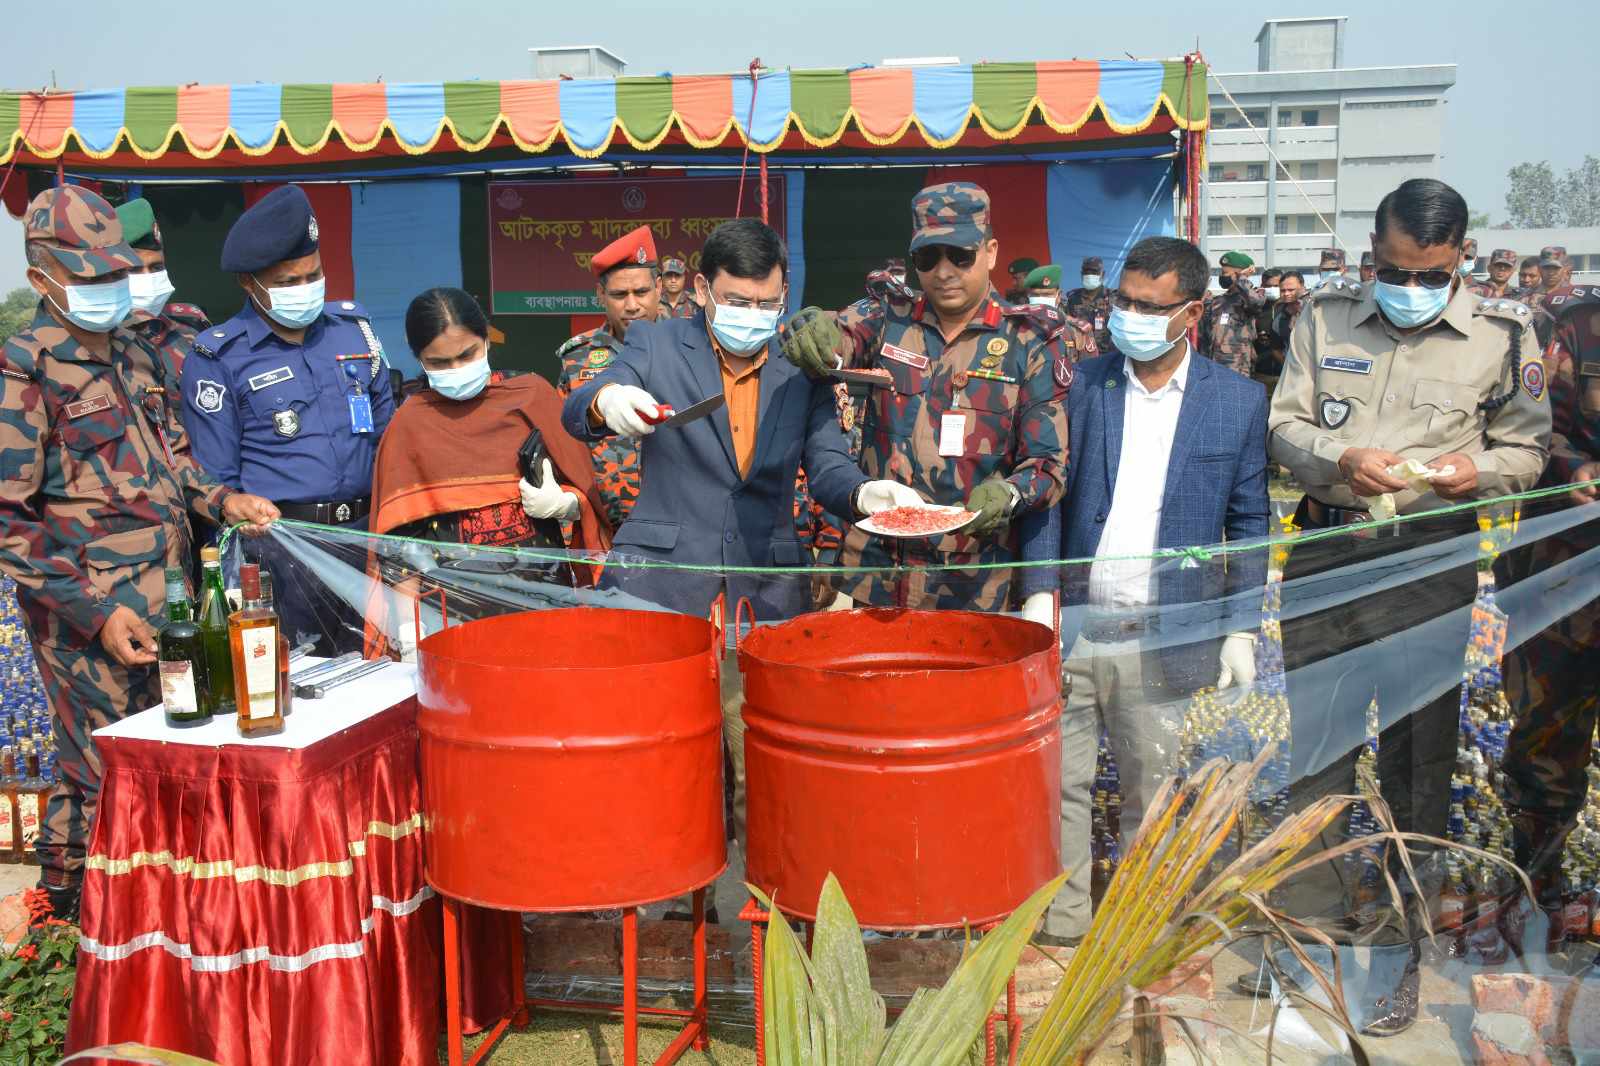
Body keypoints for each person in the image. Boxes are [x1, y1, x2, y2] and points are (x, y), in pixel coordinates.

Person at [1267, 178, 1549, 1034]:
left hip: (1433, 558)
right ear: (1373, 250)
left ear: (1460, 257)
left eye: (1428, 273)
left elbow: (1527, 447)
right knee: (1316, 748)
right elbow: (1282, 423)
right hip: (1329, 546)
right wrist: (1340, 455)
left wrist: (1480, 472)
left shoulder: (1502, 335)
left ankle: (1395, 951)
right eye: (1393, 268)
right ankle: (1305, 943)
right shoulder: (1324, 318)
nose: (1409, 287)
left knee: (1418, 764)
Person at [562, 220, 903, 871]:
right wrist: (611, 399)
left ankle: (767, 914)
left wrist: (865, 496)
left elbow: (827, 465)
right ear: (700, 290)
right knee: (666, 768)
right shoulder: (658, 344)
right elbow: (579, 406)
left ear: (784, 295)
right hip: (661, 589)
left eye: (765, 304)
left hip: (765, 593)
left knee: (765, 771)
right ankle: (672, 913)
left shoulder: (799, 370)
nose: (752, 316)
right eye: (736, 301)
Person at [0, 187, 277, 918]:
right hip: (88, 616)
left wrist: (222, 502)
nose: (108, 291)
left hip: (172, 600)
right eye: (88, 279)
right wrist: (94, 615)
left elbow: (173, 458)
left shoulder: (133, 352)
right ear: (43, 281)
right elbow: (9, 519)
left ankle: (76, 913)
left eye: (113, 274)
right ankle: (99, 929)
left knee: (141, 758)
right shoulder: (22, 372)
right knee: (107, 773)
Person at [1017, 235, 1269, 946]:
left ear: (1190, 313)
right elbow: (1049, 494)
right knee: (1054, 791)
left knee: (1150, 793)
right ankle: (1059, 931)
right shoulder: (1085, 384)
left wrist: (1241, 627)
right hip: (1077, 629)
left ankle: (1131, 932)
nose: (1127, 316)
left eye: (1147, 307)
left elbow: (1250, 521)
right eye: (1123, 302)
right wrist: (1041, 592)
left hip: (1166, 635)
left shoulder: (1236, 403)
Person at [779, 182, 1082, 611]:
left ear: (991, 252)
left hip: (974, 583)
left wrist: (1011, 494)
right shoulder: (888, 317)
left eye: (961, 256)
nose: (944, 271)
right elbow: (835, 335)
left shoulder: (1029, 342)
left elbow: (1049, 466)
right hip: (877, 573)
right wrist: (812, 330)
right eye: (928, 257)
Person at [181, 185, 395, 650]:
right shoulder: (219, 357)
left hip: (366, 543)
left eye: (312, 275)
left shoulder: (353, 332)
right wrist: (232, 503)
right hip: (282, 554)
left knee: (377, 681)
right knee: (294, 688)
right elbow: (215, 476)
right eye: (287, 282)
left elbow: (388, 437)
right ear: (248, 283)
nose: (305, 290)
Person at [367, 288, 611, 649]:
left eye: (467, 354)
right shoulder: (408, 426)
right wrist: (408, 628)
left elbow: (589, 492)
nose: (455, 370)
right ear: (418, 357)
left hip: (542, 602)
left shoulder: (532, 396)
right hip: (448, 617)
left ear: (486, 338)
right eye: (438, 363)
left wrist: (567, 503)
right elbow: (398, 542)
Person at [1499, 282, 1600, 931]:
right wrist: (1576, 472)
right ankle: (1539, 900)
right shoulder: (1579, 331)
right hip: (1568, 575)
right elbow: (1535, 436)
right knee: (1546, 742)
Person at [554, 226, 663, 531]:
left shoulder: (689, 347)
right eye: (619, 294)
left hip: (679, 529)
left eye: (641, 292)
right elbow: (563, 441)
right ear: (601, 294)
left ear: (659, 288)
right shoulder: (577, 358)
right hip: (603, 529)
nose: (632, 305)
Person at [113, 197, 210, 378]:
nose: (147, 277)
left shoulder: (190, 325)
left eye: (156, 267)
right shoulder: (99, 340)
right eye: (133, 270)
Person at [1198, 250, 1264, 376]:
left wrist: (1242, 278)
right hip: (1211, 365)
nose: (1223, 276)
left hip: (1236, 367)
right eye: (1222, 272)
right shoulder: (1217, 301)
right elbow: (1205, 334)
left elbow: (1256, 303)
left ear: (1239, 274)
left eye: (1226, 273)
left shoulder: (1252, 297)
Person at [1064, 256, 1114, 353]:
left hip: (1107, 356)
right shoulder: (1073, 299)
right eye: (1086, 272)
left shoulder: (1112, 298)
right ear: (1081, 274)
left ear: (1102, 274)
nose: (1090, 275)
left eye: (1094, 272)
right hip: (1082, 356)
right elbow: (1067, 328)